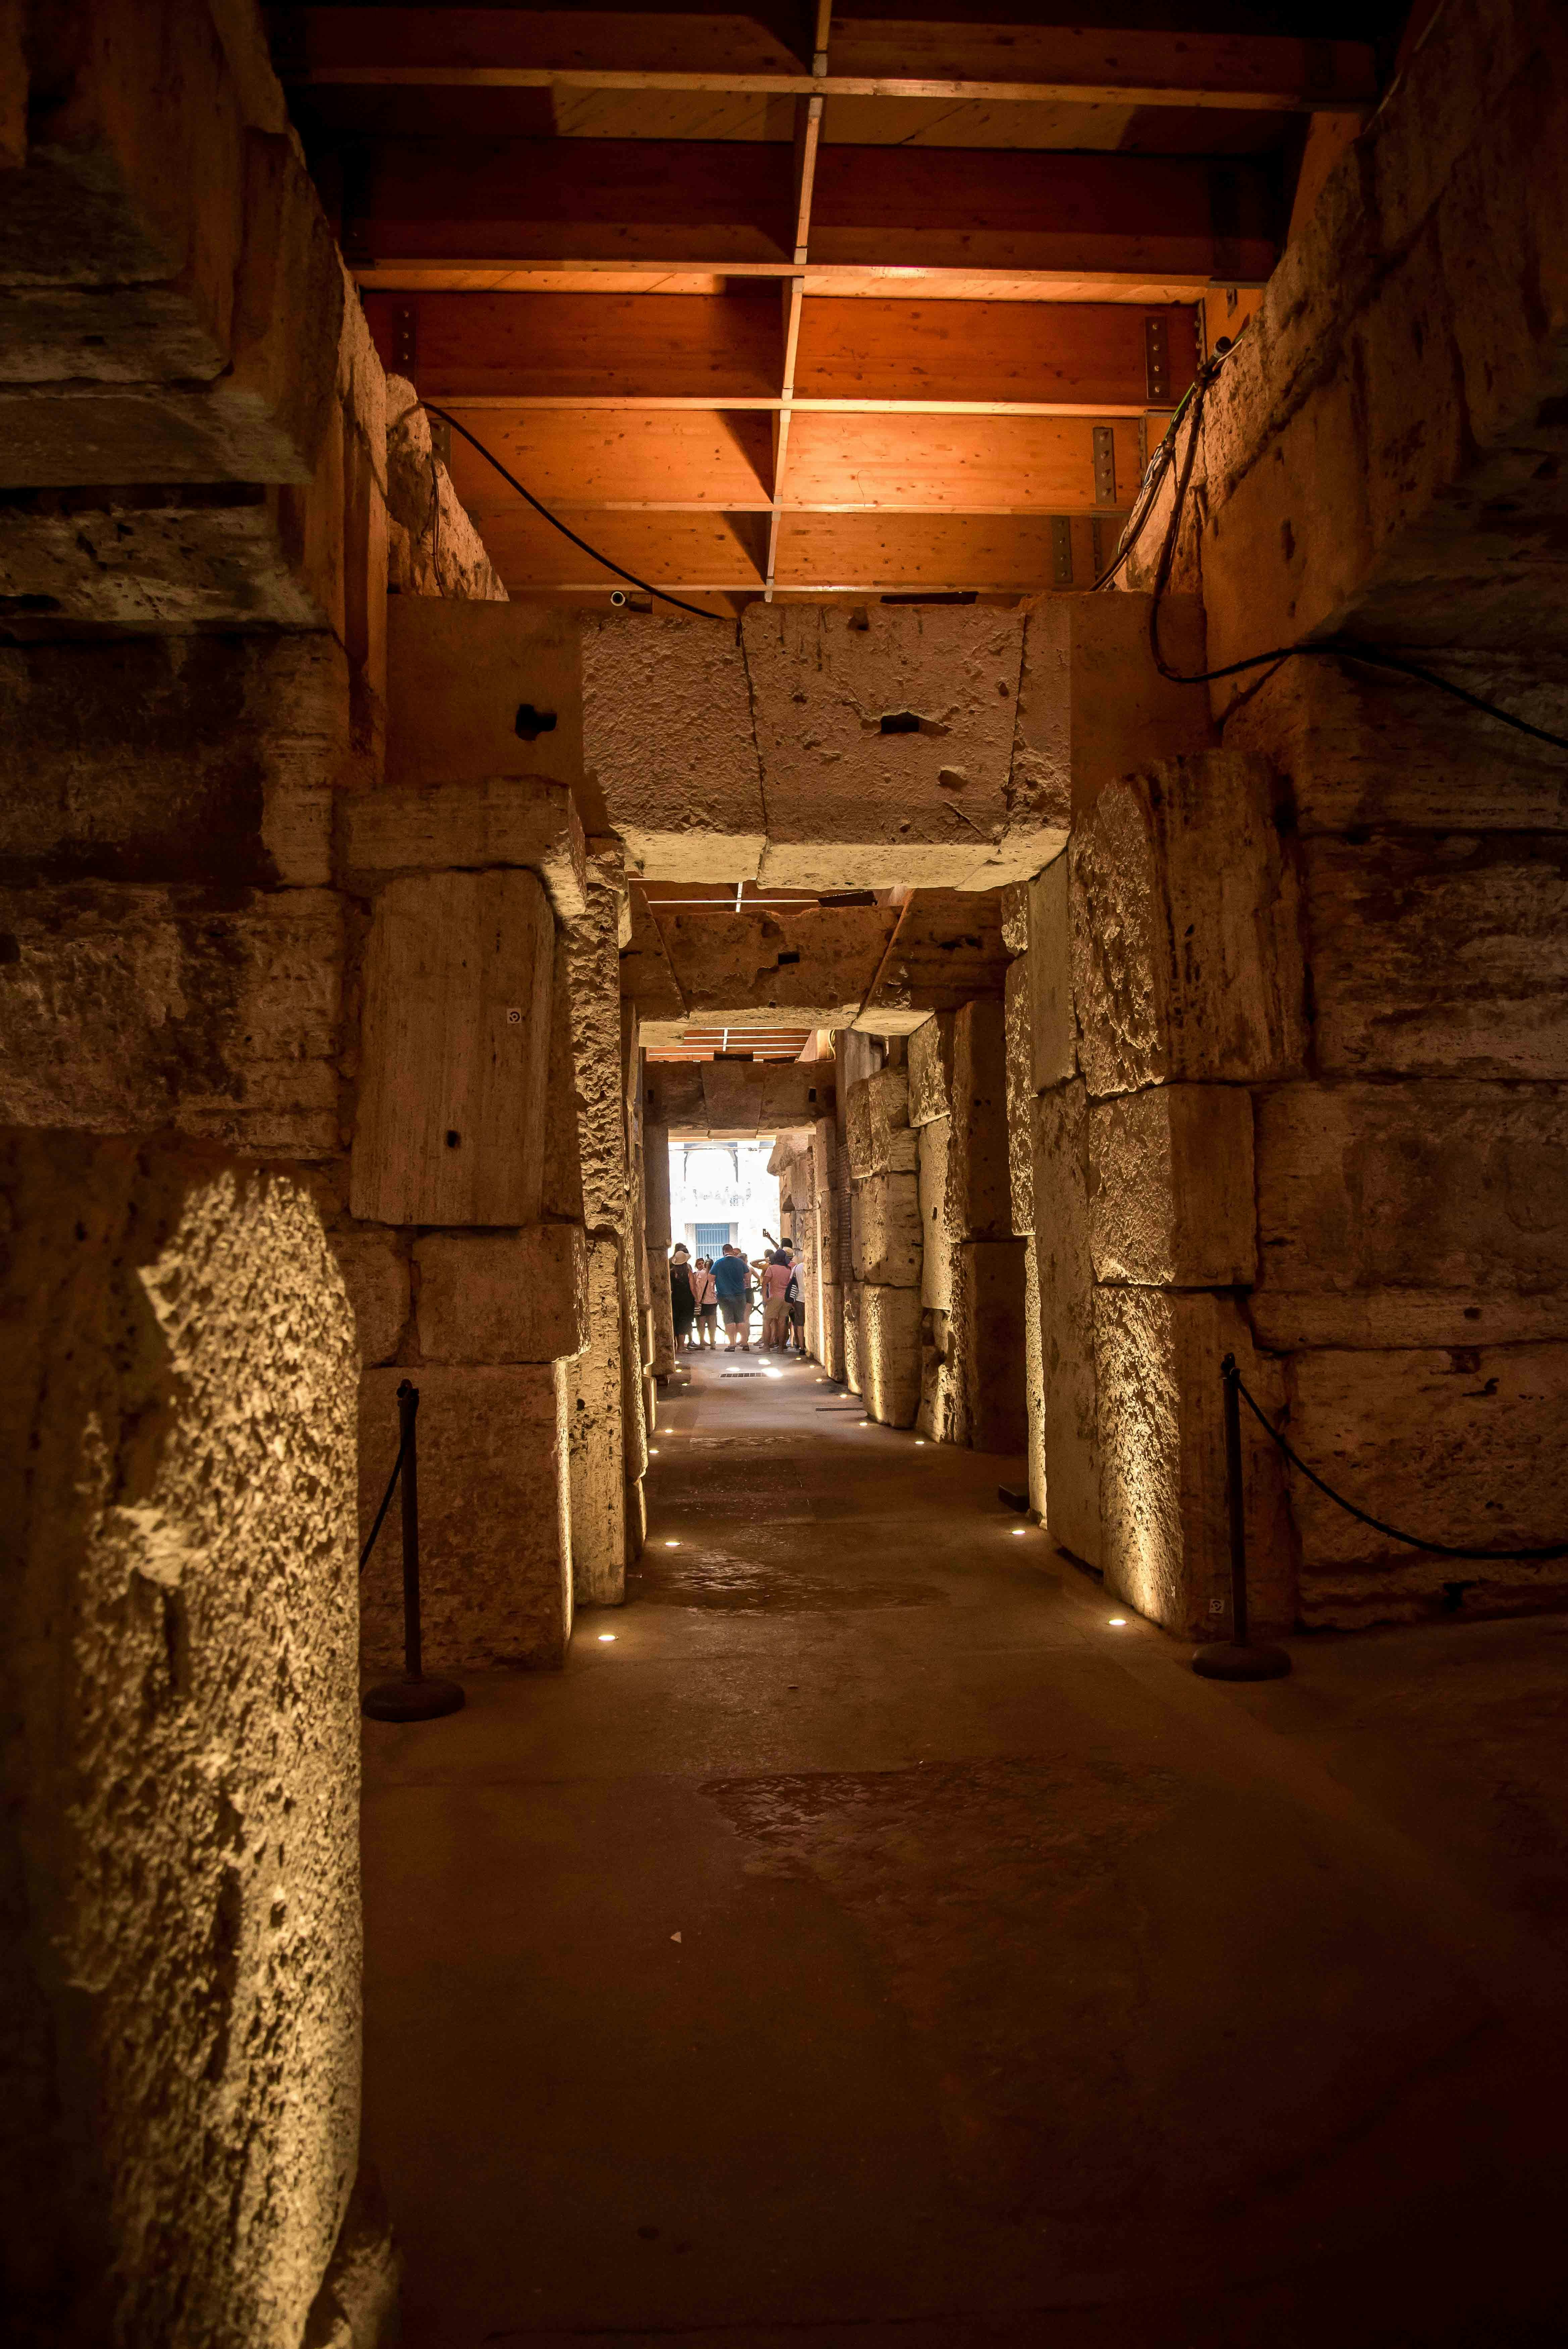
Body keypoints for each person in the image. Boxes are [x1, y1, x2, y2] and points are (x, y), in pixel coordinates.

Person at [712, 1242, 750, 1351]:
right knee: (741, 1320)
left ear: (724, 1252)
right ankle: (745, 1343)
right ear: (733, 1251)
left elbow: (711, 1278)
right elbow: (747, 1276)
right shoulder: (740, 1262)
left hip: (724, 1295)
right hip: (740, 1294)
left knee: (729, 1320)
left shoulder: (719, 1263)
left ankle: (732, 1344)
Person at [760, 1246, 792, 1351]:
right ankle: (781, 1349)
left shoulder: (772, 1269)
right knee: (782, 1323)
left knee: (767, 1321)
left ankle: (766, 1347)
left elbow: (765, 1284)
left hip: (775, 1298)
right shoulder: (789, 1270)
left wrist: (765, 1298)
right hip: (786, 1299)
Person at [669, 1244, 696, 1352]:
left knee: (676, 1321)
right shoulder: (688, 1273)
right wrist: (698, 1299)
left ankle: (676, 1346)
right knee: (685, 1322)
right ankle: (682, 1346)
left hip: (675, 1299)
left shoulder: (672, 1273)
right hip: (687, 1300)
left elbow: (669, 1287)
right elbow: (693, 1287)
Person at [690, 1255, 718, 1348]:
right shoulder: (714, 1274)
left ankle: (702, 1343)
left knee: (701, 1324)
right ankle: (713, 1343)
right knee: (712, 1324)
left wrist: (697, 1300)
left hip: (702, 1302)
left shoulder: (700, 1274)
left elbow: (697, 1288)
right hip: (713, 1301)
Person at [785, 1253, 807, 1354]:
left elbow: (790, 1282)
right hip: (810, 1298)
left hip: (799, 1299)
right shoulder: (807, 1267)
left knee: (800, 1324)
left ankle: (802, 1347)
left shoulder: (796, 1268)